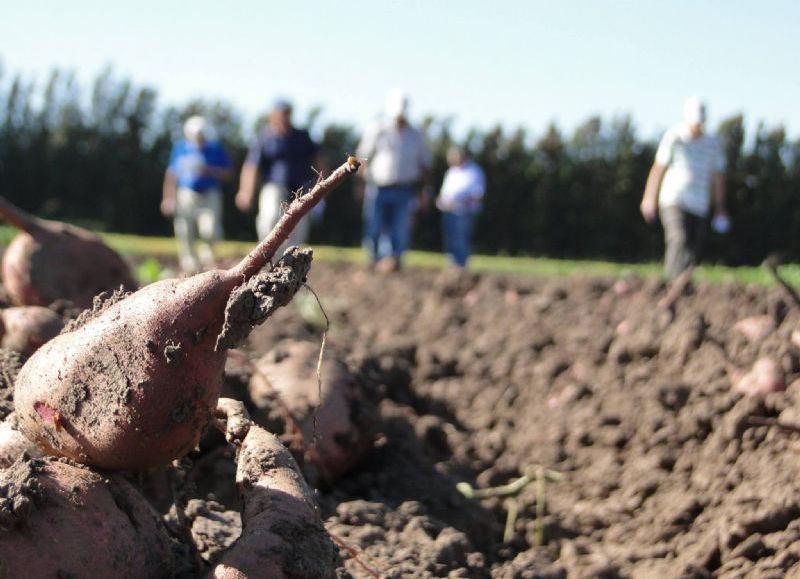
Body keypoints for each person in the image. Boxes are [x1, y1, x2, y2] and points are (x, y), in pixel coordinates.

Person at [640, 97, 729, 282]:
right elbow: (658, 168)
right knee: (678, 238)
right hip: (674, 199)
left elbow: (717, 178)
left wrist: (720, 208)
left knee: (692, 249)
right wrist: (649, 198)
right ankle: (671, 282)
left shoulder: (713, 144)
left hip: (699, 204)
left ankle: (684, 286)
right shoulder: (675, 137)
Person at [356, 89, 431, 271]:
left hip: (405, 189)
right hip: (378, 186)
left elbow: (424, 166)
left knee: (400, 229)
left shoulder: (416, 135)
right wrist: (361, 184)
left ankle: (394, 262)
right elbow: (362, 158)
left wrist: (423, 192)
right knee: (374, 227)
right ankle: (373, 262)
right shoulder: (378, 130)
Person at [235, 99, 320, 253]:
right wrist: (245, 191)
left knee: (298, 229)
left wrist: (321, 187)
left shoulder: (302, 136)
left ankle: (289, 264)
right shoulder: (265, 137)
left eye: (287, 114)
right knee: (270, 217)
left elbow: (319, 160)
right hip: (274, 186)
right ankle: (265, 256)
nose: (284, 118)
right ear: (273, 116)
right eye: (281, 114)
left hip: (302, 188)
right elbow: (251, 166)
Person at [161, 115, 232, 274]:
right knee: (184, 233)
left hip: (209, 194)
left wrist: (210, 170)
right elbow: (171, 175)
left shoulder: (216, 149)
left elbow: (228, 174)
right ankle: (189, 268)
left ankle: (208, 264)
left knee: (210, 231)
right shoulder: (180, 149)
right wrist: (168, 198)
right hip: (186, 195)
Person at [436, 147, 485, 268]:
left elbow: (477, 194)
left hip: (465, 212)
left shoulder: (474, 171)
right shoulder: (451, 172)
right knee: (450, 240)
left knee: (461, 240)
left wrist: (459, 202)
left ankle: (462, 266)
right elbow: (445, 193)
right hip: (449, 211)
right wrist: (442, 201)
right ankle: (452, 266)